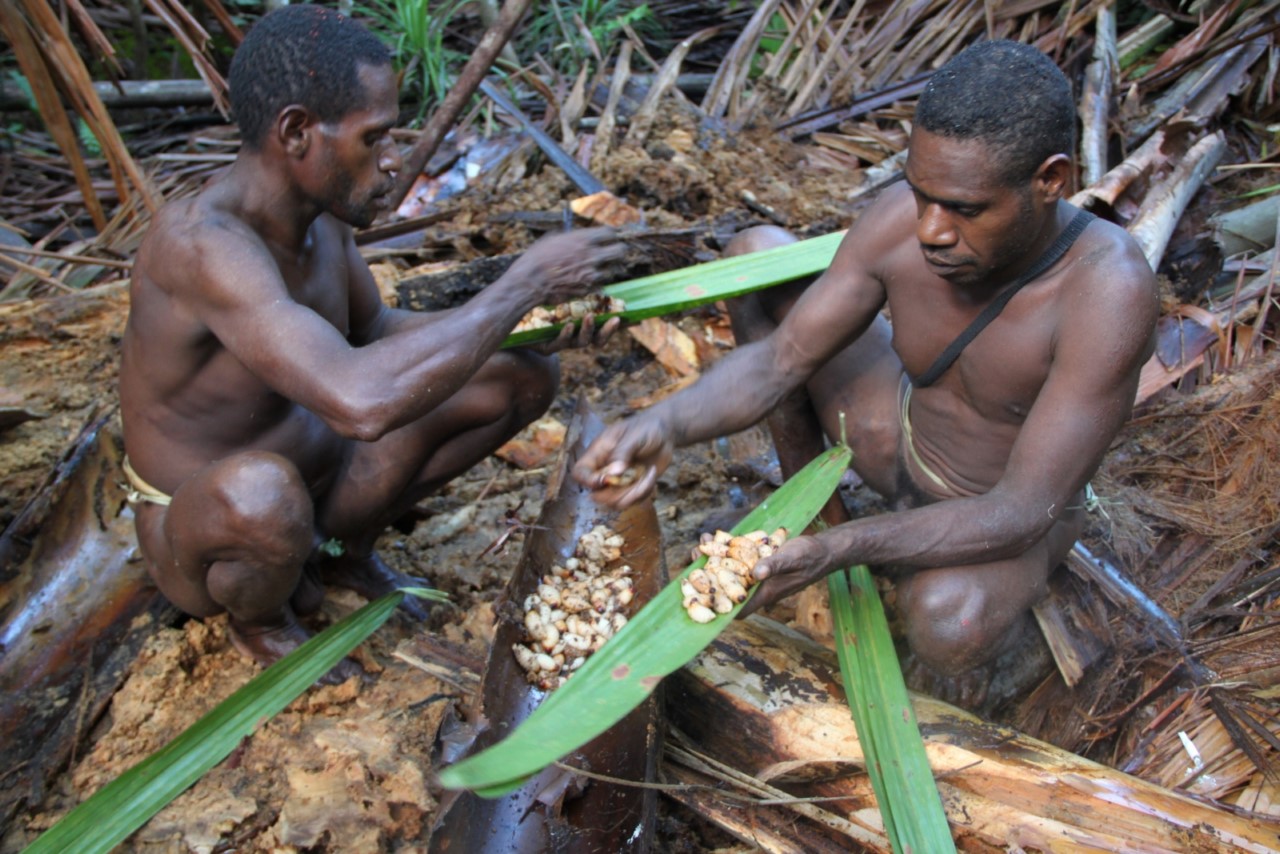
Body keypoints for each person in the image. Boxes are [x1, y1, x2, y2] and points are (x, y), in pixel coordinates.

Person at [574, 40, 1159, 708]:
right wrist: (662, 422)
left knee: (948, 621)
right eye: (921, 196)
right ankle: (806, 509)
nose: (932, 230)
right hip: (896, 438)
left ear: (1050, 181)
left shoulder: (1106, 291)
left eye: (965, 209)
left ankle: (999, 668)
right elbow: (778, 360)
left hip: (994, 514)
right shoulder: (901, 226)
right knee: (759, 255)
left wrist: (838, 552)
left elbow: (1022, 509)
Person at [119, 5, 623, 683]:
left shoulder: (319, 221)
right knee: (263, 495)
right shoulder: (203, 248)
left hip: (322, 480)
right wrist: (520, 284)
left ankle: (343, 549)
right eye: (374, 139)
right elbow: (360, 402)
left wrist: (527, 322)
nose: (393, 162)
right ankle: (261, 620)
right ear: (297, 131)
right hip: (215, 526)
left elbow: (377, 335)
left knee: (521, 372)